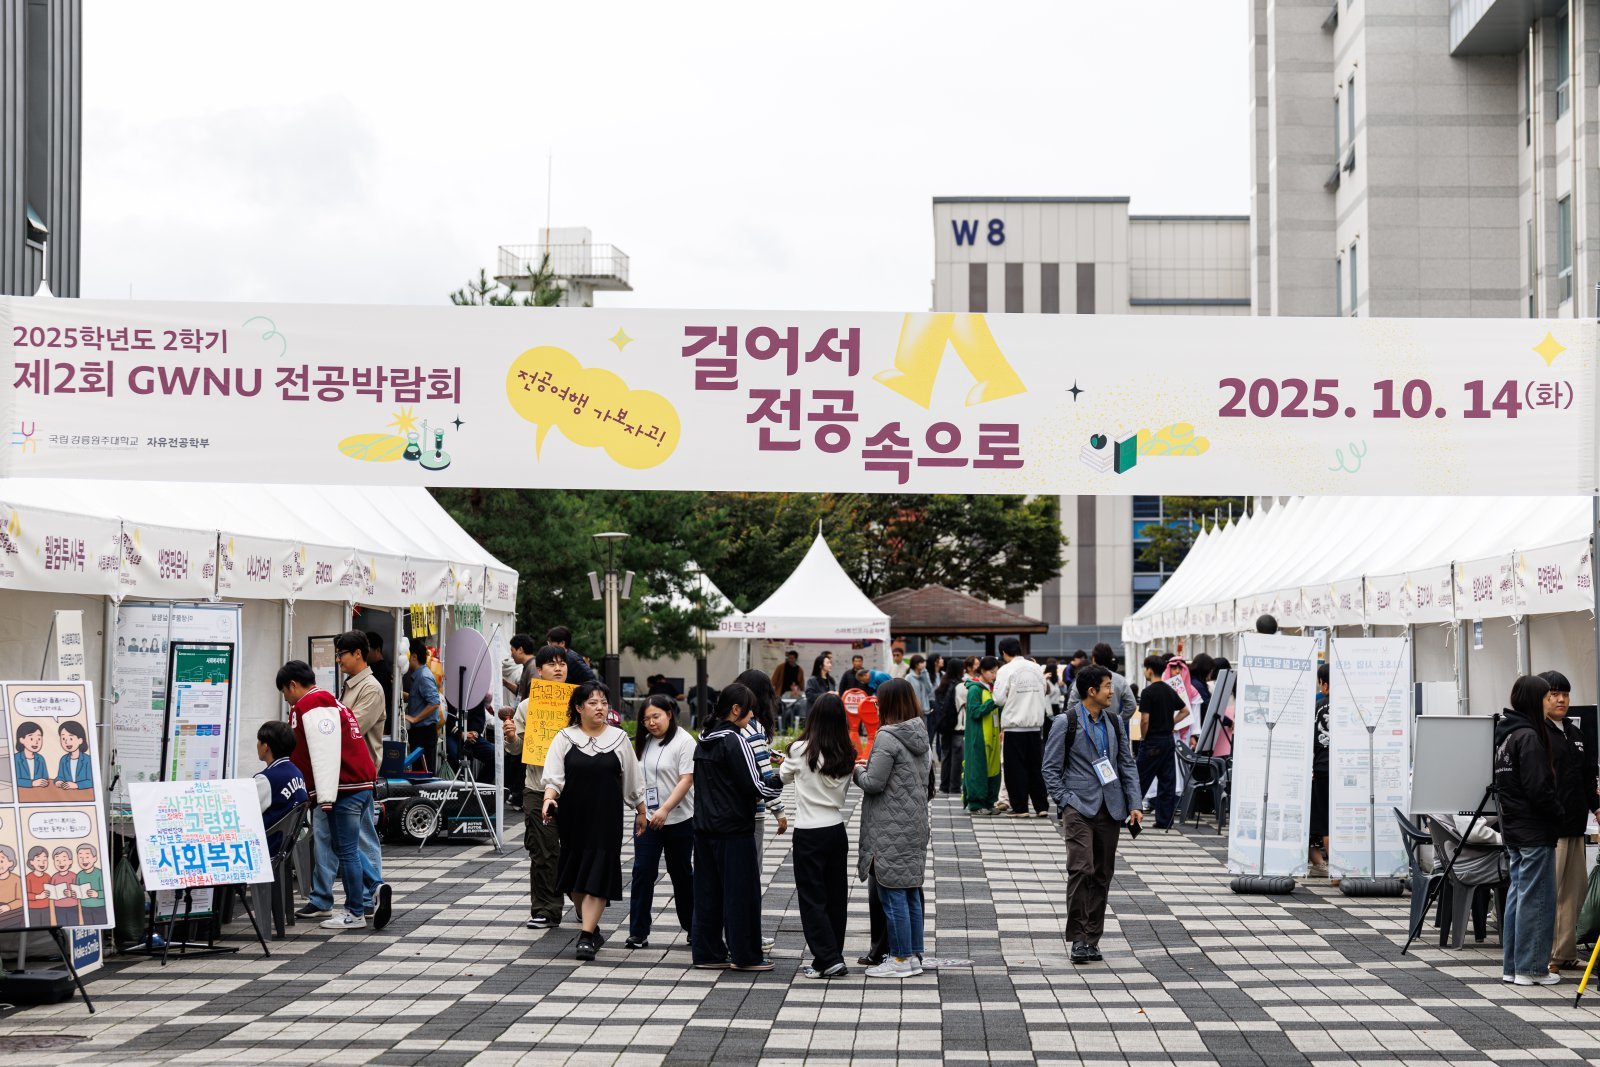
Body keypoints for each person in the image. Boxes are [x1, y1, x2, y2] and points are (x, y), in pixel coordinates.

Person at [1043, 665, 1143, 964]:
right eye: (1108, 686)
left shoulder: (1114, 721)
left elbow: (1126, 763)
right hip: (1079, 807)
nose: (1113, 691)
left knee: (1102, 874)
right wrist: (1065, 800)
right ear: (1092, 691)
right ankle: (1077, 938)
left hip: (1111, 808)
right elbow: (1049, 768)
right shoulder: (1066, 722)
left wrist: (1135, 803)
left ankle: (1092, 938)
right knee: (1081, 869)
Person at [279, 659, 388, 932]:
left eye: (285, 692)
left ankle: (355, 911)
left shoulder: (306, 706)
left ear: (293, 685)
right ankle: (376, 885)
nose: (286, 700)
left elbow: (304, 754)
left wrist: (309, 792)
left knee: (347, 849)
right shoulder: (331, 701)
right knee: (347, 847)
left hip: (342, 786)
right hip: (362, 780)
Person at [541, 681, 646, 962]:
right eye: (592, 703)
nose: (600, 708)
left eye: (603, 702)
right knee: (576, 878)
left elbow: (633, 780)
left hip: (606, 818)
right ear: (579, 707)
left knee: (599, 871)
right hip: (573, 817)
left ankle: (586, 936)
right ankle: (591, 925)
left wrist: (641, 810)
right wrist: (548, 799)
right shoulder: (565, 737)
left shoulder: (619, 738)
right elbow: (553, 777)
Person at [691, 683, 782, 972]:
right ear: (736, 710)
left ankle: (708, 953)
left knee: (708, 893)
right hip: (734, 829)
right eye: (749, 708)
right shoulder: (735, 740)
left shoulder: (704, 738)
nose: (753, 713)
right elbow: (755, 786)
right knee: (741, 894)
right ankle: (746, 955)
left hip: (705, 828)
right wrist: (783, 778)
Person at [853, 678, 932, 978]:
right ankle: (912, 954)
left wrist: (857, 770)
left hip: (889, 825)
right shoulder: (919, 732)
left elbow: (874, 783)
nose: (876, 705)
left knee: (892, 893)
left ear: (889, 704)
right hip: (914, 823)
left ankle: (898, 960)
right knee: (910, 890)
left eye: (878, 701)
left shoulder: (887, 736)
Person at [779, 692, 856, 978]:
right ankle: (831, 955)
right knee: (836, 898)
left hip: (809, 832)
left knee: (813, 898)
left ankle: (827, 958)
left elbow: (783, 777)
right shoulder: (846, 751)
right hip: (836, 830)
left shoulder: (801, 749)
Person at [1494, 673, 1564, 986]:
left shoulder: (1506, 736)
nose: (1552, 700)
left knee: (1518, 896)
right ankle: (1532, 968)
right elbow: (1539, 789)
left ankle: (1513, 966)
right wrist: (1558, 812)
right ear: (1536, 700)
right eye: (1547, 696)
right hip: (1535, 829)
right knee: (1537, 899)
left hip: (1514, 827)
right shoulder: (1530, 737)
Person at [504, 645, 570, 929]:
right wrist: (510, 738)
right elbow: (517, 749)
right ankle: (546, 909)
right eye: (551, 664)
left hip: (575, 789)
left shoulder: (579, 702)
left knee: (577, 850)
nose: (558, 668)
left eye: (562, 663)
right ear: (539, 670)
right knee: (543, 850)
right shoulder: (527, 706)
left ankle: (583, 901)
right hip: (536, 786)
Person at [1539, 670, 1599, 975]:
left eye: (1565, 694)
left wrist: (1597, 807)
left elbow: (1588, 776)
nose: (1561, 699)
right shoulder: (1538, 733)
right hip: (1552, 829)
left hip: (1577, 825)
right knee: (1553, 892)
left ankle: (1565, 953)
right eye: (1554, 694)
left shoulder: (1575, 734)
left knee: (1575, 892)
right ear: (1542, 698)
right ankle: (1548, 954)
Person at [627, 695, 696, 950]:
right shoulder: (643, 743)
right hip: (646, 819)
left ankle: (692, 927)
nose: (651, 723)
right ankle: (638, 932)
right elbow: (636, 779)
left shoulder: (685, 741)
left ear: (669, 713)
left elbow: (686, 779)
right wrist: (642, 810)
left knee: (681, 874)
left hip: (679, 819)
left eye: (656, 716)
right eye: (646, 719)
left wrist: (665, 809)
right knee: (643, 871)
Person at [335, 631, 387, 901]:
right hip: (347, 775)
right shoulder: (351, 684)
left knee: (363, 838)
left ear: (358, 654)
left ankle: (372, 893)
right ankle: (363, 895)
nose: (338, 659)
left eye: (341, 654)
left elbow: (352, 727)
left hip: (361, 776)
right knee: (348, 840)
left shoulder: (371, 688)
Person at [993, 638, 1050, 818]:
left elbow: (999, 699)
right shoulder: (1036, 668)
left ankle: (1020, 808)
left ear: (1003, 653)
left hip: (1014, 726)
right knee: (1035, 767)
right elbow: (1045, 690)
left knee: (1015, 768)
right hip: (1035, 726)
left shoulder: (1005, 670)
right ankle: (1041, 806)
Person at [1135, 654, 1186, 829]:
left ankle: (1127, 816)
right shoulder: (1169, 690)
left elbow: (1144, 720)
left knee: (1139, 779)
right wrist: (1172, 723)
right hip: (1168, 740)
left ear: (1149, 670)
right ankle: (1164, 820)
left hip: (1152, 742)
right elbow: (1185, 710)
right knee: (1167, 781)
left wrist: (1143, 736)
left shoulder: (1148, 692)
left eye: (1144, 668)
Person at [255, 720, 309, 856]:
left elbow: (245, 815)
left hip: (266, 846)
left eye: (259, 741)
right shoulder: (297, 772)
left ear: (265, 746)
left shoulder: (266, 779)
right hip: (287, 846)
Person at [962, 656, 1002, 815]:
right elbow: (974, 712)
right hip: (979, 737)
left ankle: (989, 802)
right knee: (978, 770)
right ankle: (976, 804)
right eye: (992, 672)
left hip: (992, 736)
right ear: (983, 672)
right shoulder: (975, 689)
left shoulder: (991, 688)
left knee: (993, 770)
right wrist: (992, 702)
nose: (994, 675)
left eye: (996, 672)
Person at [1066, 644, 1137, 730]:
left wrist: (1080, 722)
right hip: (1111, 728)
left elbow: (1072, 703)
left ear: (1094, 658)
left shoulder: (1084, 677)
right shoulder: (1120, 680)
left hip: (1086, 728)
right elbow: (1132, 705)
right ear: (1110, 659)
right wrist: (1118, 721)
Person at [403, 638, 441, 774]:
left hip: (424, 733)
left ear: (413, 656)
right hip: (418, 733)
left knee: (424, 774)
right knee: (417, 771)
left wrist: (415, 718)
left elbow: (435, 703)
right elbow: (418, 698)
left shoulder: (424, 676)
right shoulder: (418, 675)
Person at [1308, 664, 1331, 877]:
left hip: (1319, 768)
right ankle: (1326, 865)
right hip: (1343, 770)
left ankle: (1321, 864)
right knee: (1333, 817)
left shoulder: (1317, 706)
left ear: (1324, 685)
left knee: (1320, 817)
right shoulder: (1351, 706)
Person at [934, 658, 967, 795]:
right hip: (957, 725)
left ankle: (944, 786)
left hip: (944, 725)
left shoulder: (942, 685)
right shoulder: (960, 686)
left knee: (946, 756)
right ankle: (954, 787)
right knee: (957, 757)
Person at [53, 721, 92, 790]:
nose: (67, 742)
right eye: (63, 738)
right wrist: (59, 782)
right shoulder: (64, 759)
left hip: (84, 793)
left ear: (80, 740)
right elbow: (60, 776)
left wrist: (76, 785)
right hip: (68, 794)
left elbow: (92, 781)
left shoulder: (87, 759)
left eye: (71, 738)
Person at [364, 629, 395, 716]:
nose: (363, 654)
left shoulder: (379, 671)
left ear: (377, 650)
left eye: (367, 650)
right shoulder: (383, 668)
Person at [74, 844, 105, 926]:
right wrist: (75, 894)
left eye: (87, 857)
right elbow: (77, 890)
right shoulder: (79, 875)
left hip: (100, 907)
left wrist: (97, 894)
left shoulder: (100, 873)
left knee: (100, 925)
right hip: (85, 907)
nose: (84, 860)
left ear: (95, 858)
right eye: (80, 858)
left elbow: (107, 892)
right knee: (88, 926)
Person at [503, 634, 537, 701]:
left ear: (520, 650)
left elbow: (534, 697)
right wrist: (505, 683)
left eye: (512, 650)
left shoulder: (533, 667)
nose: (511, 655)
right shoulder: (527, 665)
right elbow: (521, 693)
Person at [13, 722, 48, 788]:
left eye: (39, 739)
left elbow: (45, 778)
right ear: (21, 740)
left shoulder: (40, 759)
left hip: (39, 792)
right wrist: (32, 783)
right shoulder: (15, 758)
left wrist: (44, 782)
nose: (36, 742)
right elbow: (14, 780)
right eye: (31, 738)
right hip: (22, 792)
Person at [0, 846, 20, 930]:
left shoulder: (16, 879)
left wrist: (8, 907)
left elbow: (21, 900)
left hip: (12, 914)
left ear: (10, 863)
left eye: (1, 861)